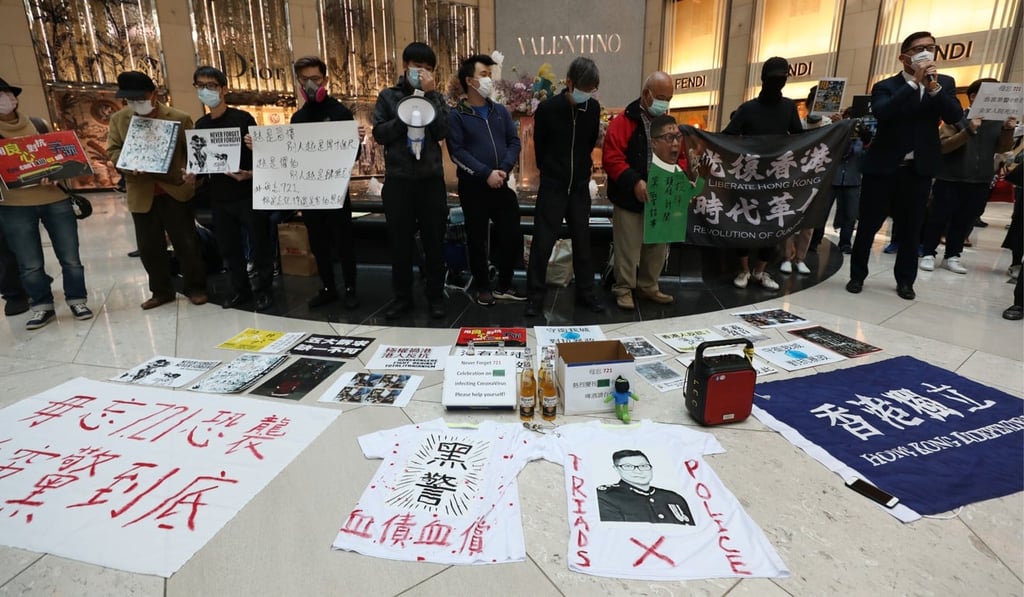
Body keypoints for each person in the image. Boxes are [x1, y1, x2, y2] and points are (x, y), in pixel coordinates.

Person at [846, 32, 964, 300]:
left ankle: (905, 281)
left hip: (918, 170)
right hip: (883, 168)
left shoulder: (943, 83)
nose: (926, 53)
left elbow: (955, 116)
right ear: (904, 57)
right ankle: (857, 276)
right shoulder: (886, 86)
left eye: (930, 48)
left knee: (911, 230)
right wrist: (913, 84)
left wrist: (933, 88)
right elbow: (883, 111)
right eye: (919, 49)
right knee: (867, 226)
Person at [107, 70, 208, 310]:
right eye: (130, 100)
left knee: (187, 243)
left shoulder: (179, 117)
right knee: (149, 247)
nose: (135, 103)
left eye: (140, 98)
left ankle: (196, 287)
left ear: (153, 94)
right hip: (141, 192)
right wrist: (128, 163)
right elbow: (112, 150)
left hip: (174, 190)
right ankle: (161, 291)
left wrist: (193, 174)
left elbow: (195, 151)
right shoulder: (119, 119)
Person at [0, 77, 93, 329]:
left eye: (8, 94)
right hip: (14, 205)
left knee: (70, 255)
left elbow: (60, 157)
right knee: (29, 262)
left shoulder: (38, 124)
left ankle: (77, 299)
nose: (6, 100)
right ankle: (42, 306)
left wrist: (55, 173)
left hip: (55, 199)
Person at [182, 66, 273, 312]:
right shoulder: (200, 125)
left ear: (223, 89)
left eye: (210, 86)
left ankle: (264, 290)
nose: (205, 90)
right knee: (229, 247)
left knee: (259, 244)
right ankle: (239, 290)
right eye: (200, 86)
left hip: (247, 193)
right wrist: (193, 174)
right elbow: (201, 164)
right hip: (219, 197)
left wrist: (254, 155)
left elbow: (264, 156)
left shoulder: (242, 119)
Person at [373, 42, 450, 320]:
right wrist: (404, 118)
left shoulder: (437, 98)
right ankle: (402, 297)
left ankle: (435, 296)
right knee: (400, 243)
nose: (421, 72)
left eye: (427, 69)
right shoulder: (388, 97)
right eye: (416, 66)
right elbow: (380, 133)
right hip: (398, 181)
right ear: (405, 66)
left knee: (434, 243)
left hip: (430, 181)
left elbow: (442, 130)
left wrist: (427, 98)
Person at [525, 56, 605, 317]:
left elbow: (590, 143)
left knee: (583, 243)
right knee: (542, 243)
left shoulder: (592, 109)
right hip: (553, 186)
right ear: (569, 83)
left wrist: (582, 173)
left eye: (591, 89)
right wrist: (553, 172)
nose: (587, 94)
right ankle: (535, 297)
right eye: (583, 88)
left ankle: (586, 295)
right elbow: (541, 149)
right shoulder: (548, 109)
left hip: (579, 187)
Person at [446, 54, 525, 306]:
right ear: (469, 80)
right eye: (484, 75)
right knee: (477, 237)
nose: (489, 79)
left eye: (490, 75)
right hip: (474, 186)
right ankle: (483, 286)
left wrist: (502, 169)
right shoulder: (457, 115)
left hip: (501, 182)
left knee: (511, 233)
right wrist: (485, 173)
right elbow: (457, 152)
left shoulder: (499, 111)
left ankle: (505, 282)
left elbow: (514, 141)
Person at [919, 78, 1016, 275]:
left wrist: (1007, 129)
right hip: (950, 178)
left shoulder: (997, 122)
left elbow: (1002, 148)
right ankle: (928, 252)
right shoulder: (955, 117)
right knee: (938, 217)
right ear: (973, 97)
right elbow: (944, 146)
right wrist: (968, 131)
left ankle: (952, 256)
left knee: (964, 220)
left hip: (980, 180)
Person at [722, 56, 804, 291]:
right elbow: (727, 136)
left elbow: (799, 137)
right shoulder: (748, 109)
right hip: (748, 179)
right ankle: (744, 269)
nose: (777, 83)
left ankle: (760, 270)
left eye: (781, 78)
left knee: (772, 225)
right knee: (743, 224)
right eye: (773, 78)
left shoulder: (788, 107)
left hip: (776, 179)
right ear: (763, 79)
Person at [289, 56, 365, 310]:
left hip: (336, 191)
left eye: (315, 79)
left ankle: (351, 287)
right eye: (305, 79)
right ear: (298, 81)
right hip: (309, 192)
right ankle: (328, 287)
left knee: (343, 240)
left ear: (325, 80)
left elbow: (352, 155)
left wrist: (355, 141)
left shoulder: (339, 112)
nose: (310, 84)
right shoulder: (297, 118)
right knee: (318, 241)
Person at [603, 72, 682, 310]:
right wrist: (635, 181)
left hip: (661, 197)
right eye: (660, 97)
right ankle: (624, 288)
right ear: (646, 94)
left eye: (668, 98)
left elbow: (680, 155)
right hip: (629, 195)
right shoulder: (623, 122)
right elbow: (612, 157)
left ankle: (649, 286)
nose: (664, 103)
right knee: (627, 246)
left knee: (657, 246)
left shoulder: (669, 125)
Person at [810, 107, 870, 254]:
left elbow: (868, 144)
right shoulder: (837, 136)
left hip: (852, 181)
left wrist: (860, 132)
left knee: (850, 215)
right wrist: (839, 127)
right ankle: (815, 241)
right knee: (822, 213)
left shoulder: (861, 140)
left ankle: (845, 243)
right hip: (832, 180)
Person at [597, 449, 695, 525]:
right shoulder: (606, 497)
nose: (638, 471)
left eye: (643, 466)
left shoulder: (673, 497)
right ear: (616, 469)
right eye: (628, 466)